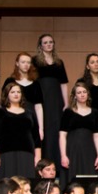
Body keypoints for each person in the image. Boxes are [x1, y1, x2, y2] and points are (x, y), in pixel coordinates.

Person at [0, 82, 42, 182]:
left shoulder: (29, 113)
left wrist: (37, 157)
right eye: (13, 92)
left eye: (18, 92)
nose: (16, 94)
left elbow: (36, 138)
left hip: (26, 155)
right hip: (5, 155)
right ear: (7, 95)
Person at [59, 81, 98, 185]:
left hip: (89, 150)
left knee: (89, 175)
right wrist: (63, 155)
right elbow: (62, 135)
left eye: (84, 92)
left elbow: (97, 136)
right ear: (74, 96)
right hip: (72, 149)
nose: (82, 94)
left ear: (88, 94)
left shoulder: (95, 112)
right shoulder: (68, 112)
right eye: (79, 93)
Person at [34, 34, 69, 162]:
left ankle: (55, 160)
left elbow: (64, 84)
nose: (48, 44)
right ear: (40, 45)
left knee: (55, 127)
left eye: (51, 42)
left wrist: (66, 103)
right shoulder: (35, 61)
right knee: (43, 126)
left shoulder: (59, 62)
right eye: (45, 42)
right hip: (42, 96)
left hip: (56, 99)